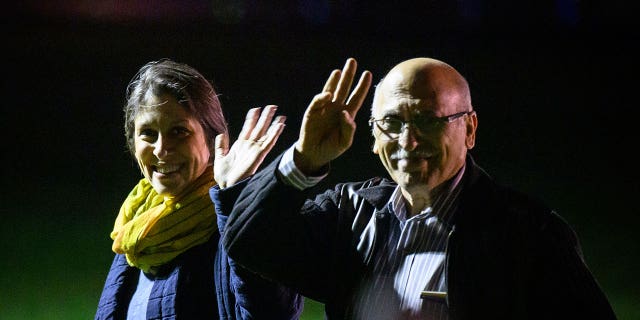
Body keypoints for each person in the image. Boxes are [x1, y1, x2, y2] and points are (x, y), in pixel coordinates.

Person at [211, 57, 617, 319]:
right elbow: (247, 242)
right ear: (371, 136)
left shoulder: (529, 233)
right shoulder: (350, 214)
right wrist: (303, 161)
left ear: (470, 129)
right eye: (391, 123)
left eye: (427, 120)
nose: (408, 141)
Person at [94, 58, 303, 319]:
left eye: (179, 132)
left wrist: (236, 201)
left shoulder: (238, 220)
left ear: (211, 138)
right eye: (148, 133)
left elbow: (271, 313)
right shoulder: (137, 228)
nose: (161, 149)